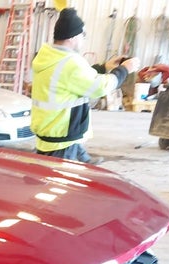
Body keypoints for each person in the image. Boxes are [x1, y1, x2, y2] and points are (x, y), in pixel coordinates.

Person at [30, 7, 141, 163]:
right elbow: (99, 87)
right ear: (73, 37)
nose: (83, 39)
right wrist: (124, 69)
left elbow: (74, 79)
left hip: (51, 131)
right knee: (62, 181)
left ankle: (84, 162)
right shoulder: (71, 62)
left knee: (75, 171)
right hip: (62, 138)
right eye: (83, 35)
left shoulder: (49, 56)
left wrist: (104, 67)